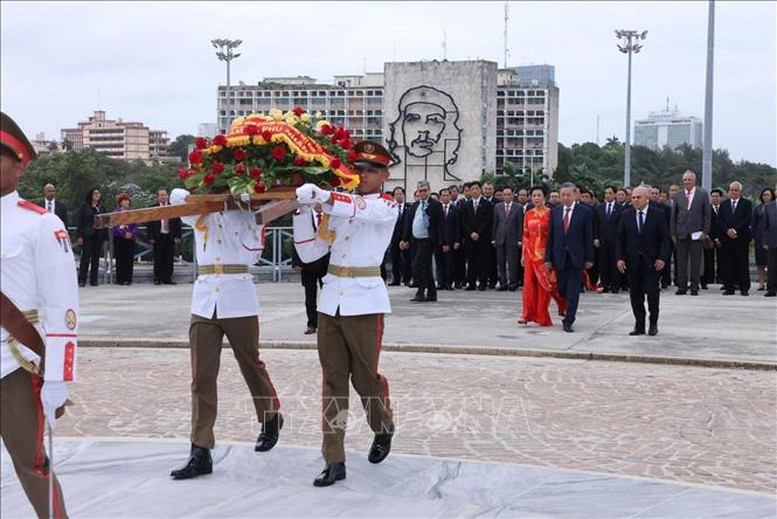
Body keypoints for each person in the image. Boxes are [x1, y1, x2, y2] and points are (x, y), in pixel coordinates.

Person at [293, 140, 397, 487]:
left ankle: (382, 427)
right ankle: (334, 459)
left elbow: (358, 209)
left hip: (365, 301)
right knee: (333, 381)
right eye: (359, 169)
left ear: (384, 175)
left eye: (371, 170)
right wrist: (301, 211)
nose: (363, 175)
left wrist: (325, 197)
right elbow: (310, 254)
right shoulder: (338, 206)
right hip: (331, 300)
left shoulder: (386, 206)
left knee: (365, 378)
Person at [168, 186, 283, 480]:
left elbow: (254, 255)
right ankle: (200, 449)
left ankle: (270, 415)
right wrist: (202, 198)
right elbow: (175, 197)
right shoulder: (199, 211)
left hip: (238, 296)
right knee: (202, 376)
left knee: (250, 363)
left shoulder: (250, 214)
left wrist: (244, 210)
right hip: (205, 298)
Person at [1, 112, 78, 518]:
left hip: (13, 361)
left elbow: (64, 307)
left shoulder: (42, 224)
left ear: (19, 164)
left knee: (31, 465)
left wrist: (59, 378)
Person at [616, 186, 670, 336]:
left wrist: (662, 258)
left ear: (647, 198)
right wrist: (620, 258)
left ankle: (653, 323)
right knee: (635, 295)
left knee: (652, 295)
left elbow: (664, 240)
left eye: (638, 197)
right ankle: (639, 325)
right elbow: (620, 239)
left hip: (652, 263)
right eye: (633, 197)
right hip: (632, 262)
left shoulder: (658, 215)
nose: (635, 200)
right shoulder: (626, 215)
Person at [544, 182, 594, 333]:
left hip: (577, 257)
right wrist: (548, 258)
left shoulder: (584, 212)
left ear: (574, 195)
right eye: (562, 195)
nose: (565, 198)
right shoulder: (555, 212)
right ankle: (566, 307)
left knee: (573, 290)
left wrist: (589, 258)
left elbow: (588, 236)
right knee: (562, 288)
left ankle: (569, 319)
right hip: (559, 256)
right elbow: (551, 236)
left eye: (568, 195)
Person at [519, 186, 566, 326]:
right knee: (529, 285)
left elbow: (555, 236)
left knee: (546, 286)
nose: (536, 198)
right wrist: (523, 254)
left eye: (539, 195)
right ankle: (526, 314)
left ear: (544, 197)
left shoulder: (552, 214)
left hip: (545, 256)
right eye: (534, 195)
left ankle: (543, 315)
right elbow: (525, 235)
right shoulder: (528, 214)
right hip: (530, 255)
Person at [401, 180, 445, 302]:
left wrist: (445, 242)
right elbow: (409, 224)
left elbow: (441, 224)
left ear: (429, 191)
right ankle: (432, 293)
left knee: (417, 266)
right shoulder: (415, 206)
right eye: (420, 191)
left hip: (428, 241)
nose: (422, 193)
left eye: (425, 190)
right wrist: (404, 239)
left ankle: (420, 291)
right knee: (425, 267)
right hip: (415, 240)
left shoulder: (435, 205)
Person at [670, 170, 710, 296]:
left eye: (689, 179)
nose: (687, 182)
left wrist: (705, 231)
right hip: (681, 233)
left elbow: (707, 215)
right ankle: (682, 286)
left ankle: (694, 286)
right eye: (685, 180)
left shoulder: (702, 194)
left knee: (696, 261)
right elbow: (674, 216)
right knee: (681, 261)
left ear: (694, 181)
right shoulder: (678, 195)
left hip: (697, 233)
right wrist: (673, 233)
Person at [291, 204, 330, 334]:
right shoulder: (304, 216)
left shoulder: (331, 217)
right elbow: (296, 238)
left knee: (327, 295)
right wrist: (296, 262)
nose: (319, 205)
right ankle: (312, 323)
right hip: (308, 263)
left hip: (327, 263)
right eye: (316, 202)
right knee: (310, 296)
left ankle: (327, 323)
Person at [718, 181, 752, 296]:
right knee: (727, 264)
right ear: (728, 191)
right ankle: (729, 287)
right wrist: (727, 230)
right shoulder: (723, 204)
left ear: (740, 192)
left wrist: (735, 230)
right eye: (732, 190)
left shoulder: (747, 203)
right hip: (726, 238)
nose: (733, 192)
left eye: (736, 190)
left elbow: (746, 219)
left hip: (740, 237)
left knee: (742, 263)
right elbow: (720, 220)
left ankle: (744, 287)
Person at [461, 180, 493, 291]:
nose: (474, 191)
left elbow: (487, 221)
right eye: (472, 189)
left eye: (476, 189)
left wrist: (478, 233)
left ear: (480, 190)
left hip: (483, 237)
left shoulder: (487, 204)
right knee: (471, 260)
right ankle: (471, 283)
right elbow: (464, 221)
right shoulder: (466, 205)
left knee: (483, 260)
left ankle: (483, 283)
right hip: (470, 238)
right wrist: (471, 233)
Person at [147, 188, 182, 285]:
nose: (163, 196)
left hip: (170, 236)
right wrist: (150, 237)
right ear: (158, 197)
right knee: (158, 258)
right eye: (161, 195)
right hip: (158, 236)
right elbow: (149, 223)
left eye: (165, 194)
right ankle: (158, 278)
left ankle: (168, 278)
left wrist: (178, 236)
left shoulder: (173, 208)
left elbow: (177, 222)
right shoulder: (153, 208)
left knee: (169, 258)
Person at [492, 186, 523, 291]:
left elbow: (520, 224)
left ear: (513, 195)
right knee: (500, 262)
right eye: (505, 194)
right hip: (500, 238)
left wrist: (520, 239)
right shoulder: (497, 207)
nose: (507, 196)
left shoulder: (518, 207)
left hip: (513, 239)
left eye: (509, 194)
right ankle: (503, 283)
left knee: (512, 262)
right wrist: (493, 238)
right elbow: (495, 223)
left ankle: (513, 283)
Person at [76, 187, 107, 287]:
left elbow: (105, 222)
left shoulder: (102, 207)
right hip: (87, 235)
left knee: (96, 258)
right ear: (91, 195)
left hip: (98, 236)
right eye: (95, 193)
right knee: (85, 258)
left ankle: (94, 280)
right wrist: (80, 236)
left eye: (98, 193)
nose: (97, 195)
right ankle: (82, 280)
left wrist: (105, 238)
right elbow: (80, 222)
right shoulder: (85, 207)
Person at [595, 185, 623, 293]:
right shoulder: (600, 208)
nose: (608, 195)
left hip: (615, 240)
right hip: (603, 241)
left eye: (610, 193)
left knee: (614, 263)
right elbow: (596, 224)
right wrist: (596, 237)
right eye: (606, 193)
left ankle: (615, 286)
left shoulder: (621, 208)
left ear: (615, 194)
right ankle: (605, 285)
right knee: (603, 263)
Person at [435, 188, 461, 290]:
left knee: (449, 263)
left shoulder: (455, 209)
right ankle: (440, 282)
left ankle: (449, 283)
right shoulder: (437, 209)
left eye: (447, 195)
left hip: (451, 240)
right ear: (440, 197)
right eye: (443, 195)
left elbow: (458, 226)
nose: (445, 197)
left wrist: (457, 240)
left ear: (450, 197)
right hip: (438, 241)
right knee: (439, 263)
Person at [112, 193, 139, 286]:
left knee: (129, 258)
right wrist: (123, 233)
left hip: (130, 238)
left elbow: (136, 225)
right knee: (120, 258)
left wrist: (131, 233)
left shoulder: (132, 212)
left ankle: (128, 279)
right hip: (119, 238)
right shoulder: (116, 213)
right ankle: (120, 279)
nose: (127, 202)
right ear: (120, 202)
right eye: (124, 200)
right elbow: (115, 226)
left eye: (127, 200)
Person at [753, 188, 775, 291]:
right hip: (762, 238)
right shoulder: (759, 208)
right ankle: (763, 284)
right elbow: (755, 223)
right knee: (761, 262)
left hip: (773, 239)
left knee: (772, 263)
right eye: (764, 195)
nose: (766, 197)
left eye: (768, 195)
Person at [703, 188, 725, 287]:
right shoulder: (707, 208)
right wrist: (707, 236)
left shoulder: (725, 208)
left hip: (722, 237)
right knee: (708, 258)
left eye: (717, 196)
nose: (714, 198)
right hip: (709, 237)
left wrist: (719, 238)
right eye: (713, 196)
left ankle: (721, 277)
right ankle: (709, 278)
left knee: (722, 259)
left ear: (721, 198)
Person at [762, 188, 777, 297]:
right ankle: (771, 289)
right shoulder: (769, 206)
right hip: (772, 240)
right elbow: (765, 226)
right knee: (772, 266)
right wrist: (765, 240)